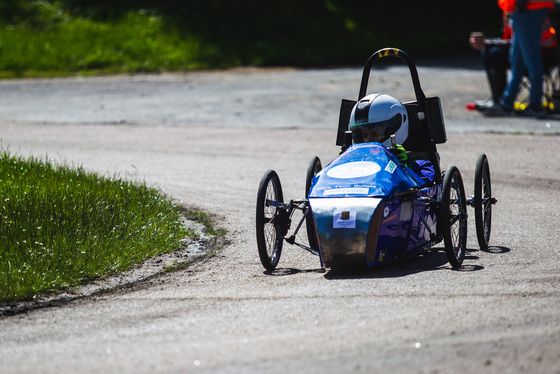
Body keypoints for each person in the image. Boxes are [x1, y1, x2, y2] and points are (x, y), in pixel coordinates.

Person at [485, 0, 556, 118]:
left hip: (529, 9)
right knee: (516, 60)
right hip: (523, 10)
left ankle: (535, 105)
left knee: (532, 60)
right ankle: (506, 103)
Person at [348, 93, 435, 182]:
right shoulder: (356, 164)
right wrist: (342, 160)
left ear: (392, 129)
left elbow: (427, 183)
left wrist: (403, 166)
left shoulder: (422, 166)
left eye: (375, 134)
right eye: (365, 135)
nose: (369, 141)